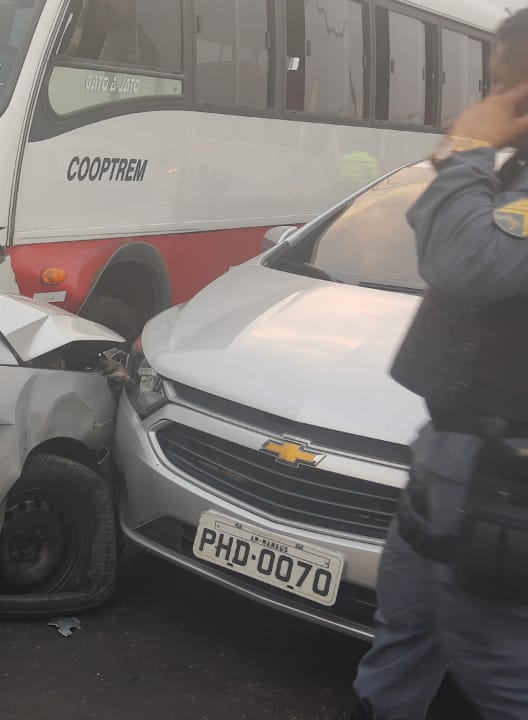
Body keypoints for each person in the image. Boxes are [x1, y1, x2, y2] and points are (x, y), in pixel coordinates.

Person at [352, 10, 528, 720]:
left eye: (502, 84)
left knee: (497, 671)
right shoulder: (507, 167)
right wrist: (466, 156)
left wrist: (464, 150)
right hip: (453, 446)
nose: (486, 103)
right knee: (406, 629)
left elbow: (465, 263)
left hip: (501, 469)